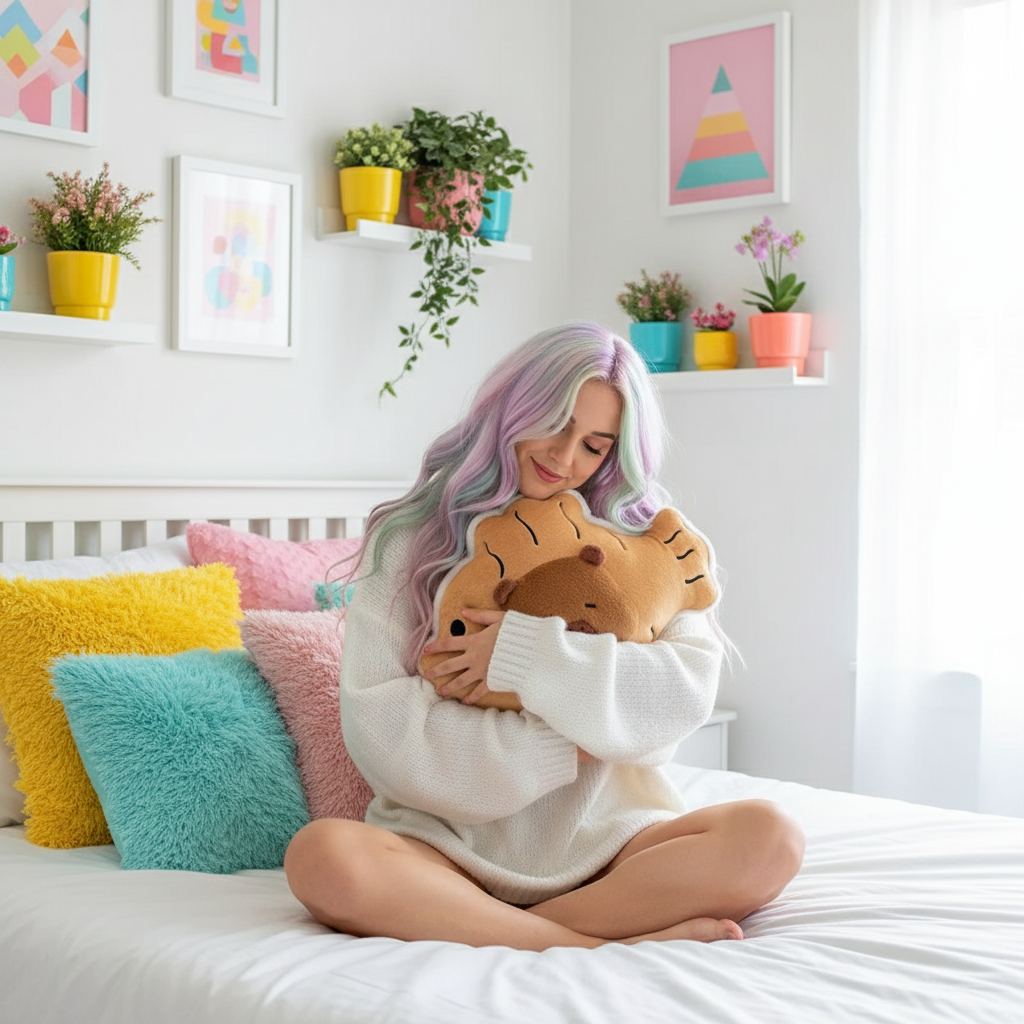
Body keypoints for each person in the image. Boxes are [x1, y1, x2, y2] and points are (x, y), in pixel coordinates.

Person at [284, 322, 805, 950]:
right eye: (555, 425)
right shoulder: (411, 541)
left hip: (611, 842)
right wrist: (567, 746)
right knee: (321, 856)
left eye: (594, 445)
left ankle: (518, 932)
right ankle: (591, 941)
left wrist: (523, 654)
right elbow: (386, 734)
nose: (564, 459)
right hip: (445, 849)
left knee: (771, 838)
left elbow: (681, 691)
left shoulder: (650, 542)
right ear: (514, 407)